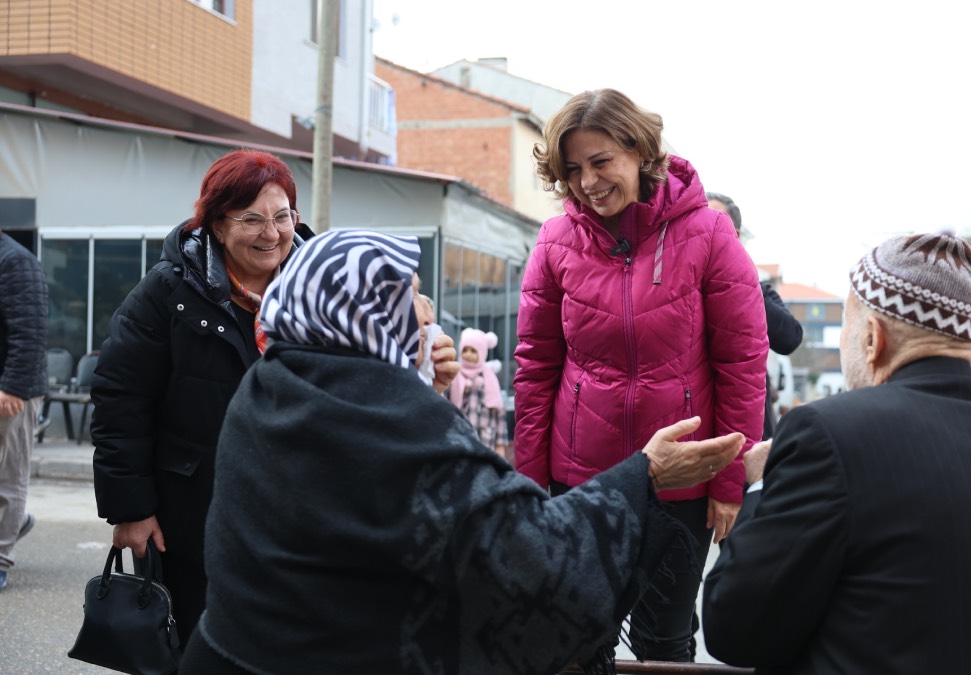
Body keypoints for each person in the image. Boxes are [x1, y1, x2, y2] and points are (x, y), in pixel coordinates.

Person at [178, 230, 745, 675]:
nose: (423, 312)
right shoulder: (389, 415)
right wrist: (643, 473)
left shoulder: (272, 386)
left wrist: (418, 384)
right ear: (367, 313)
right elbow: (531, 557)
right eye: (406, 297)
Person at [703, 233, 971, 674]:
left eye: (847, 326)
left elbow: (734, 627)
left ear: (872, 338)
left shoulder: (829, 434)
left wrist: (760, 481)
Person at [515, 88, 768, 662]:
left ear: (640, 152)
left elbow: (743, 363)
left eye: (601, 162)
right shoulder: (555, 241)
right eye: (573, 169)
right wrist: (530, 485)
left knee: (664, 643)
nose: (588, 182)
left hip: (682, 480)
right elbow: (534, 369)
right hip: (583, 483)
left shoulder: (707, 232)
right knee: (579, 639)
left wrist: (728, 479)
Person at [89, 149, 317, 646]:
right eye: (252, 219)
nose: (272, 233)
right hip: (193, 519)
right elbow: (120, 401)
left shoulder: (322, 291)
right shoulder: (167, 292)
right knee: (197, 647)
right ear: (215, 222)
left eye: (283, 217)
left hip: (302, 518)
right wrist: (130, 510)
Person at [706, 191, 804, 440]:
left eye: (713, 221)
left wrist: (739, 281)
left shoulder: (758, 289)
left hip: (747, 429)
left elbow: (789, 338)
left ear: (734, 237)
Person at [0, 228, 47, 591]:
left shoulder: (15, 260)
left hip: (10, 390)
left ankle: (0, 559)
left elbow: (30, 329)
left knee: (8, 479)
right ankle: (17, 523)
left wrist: (13, 386)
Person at [450, 327, 509, 457]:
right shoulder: (454, 376)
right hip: (460, 438)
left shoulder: (489, 377)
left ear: (482, 353)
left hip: (486, 439)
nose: (468, 354)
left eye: (473, 351)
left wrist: (500, 444)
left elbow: (499, 411)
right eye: (465, 350)